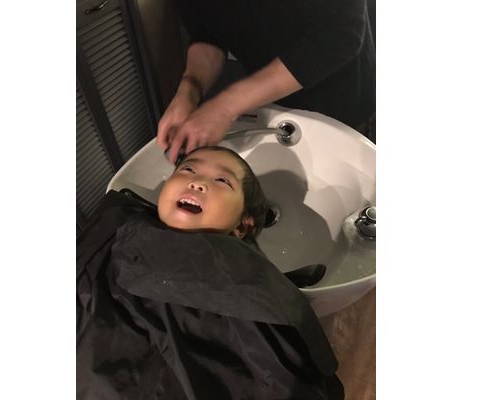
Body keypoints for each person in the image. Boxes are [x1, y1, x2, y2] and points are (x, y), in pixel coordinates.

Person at [77, 146, 344, 399]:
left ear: (242, 226)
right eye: (188, 170)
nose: (197, 182)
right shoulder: (115, 221)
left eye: (222, 181)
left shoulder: (249, 284)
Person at [157, 0, 376, 164]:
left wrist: (226, 106)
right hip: (270, 95)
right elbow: (207, 35)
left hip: (342, 95)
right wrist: (189, 90)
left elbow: (339, 37)